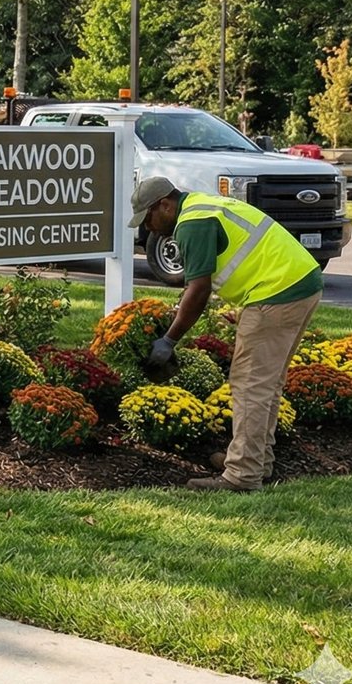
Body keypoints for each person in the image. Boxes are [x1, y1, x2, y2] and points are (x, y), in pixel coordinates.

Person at [130, 176, 323, 492]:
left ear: (164, 204)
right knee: (266, 383)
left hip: (275, 293)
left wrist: (169, 339)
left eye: (148, 218)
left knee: (249, 384)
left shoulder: (193, 222)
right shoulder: (201, 207)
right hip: (299, 284)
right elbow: (199, 284)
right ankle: (255, 461)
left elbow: (199, 289)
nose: (149, 228)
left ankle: (242, 476)